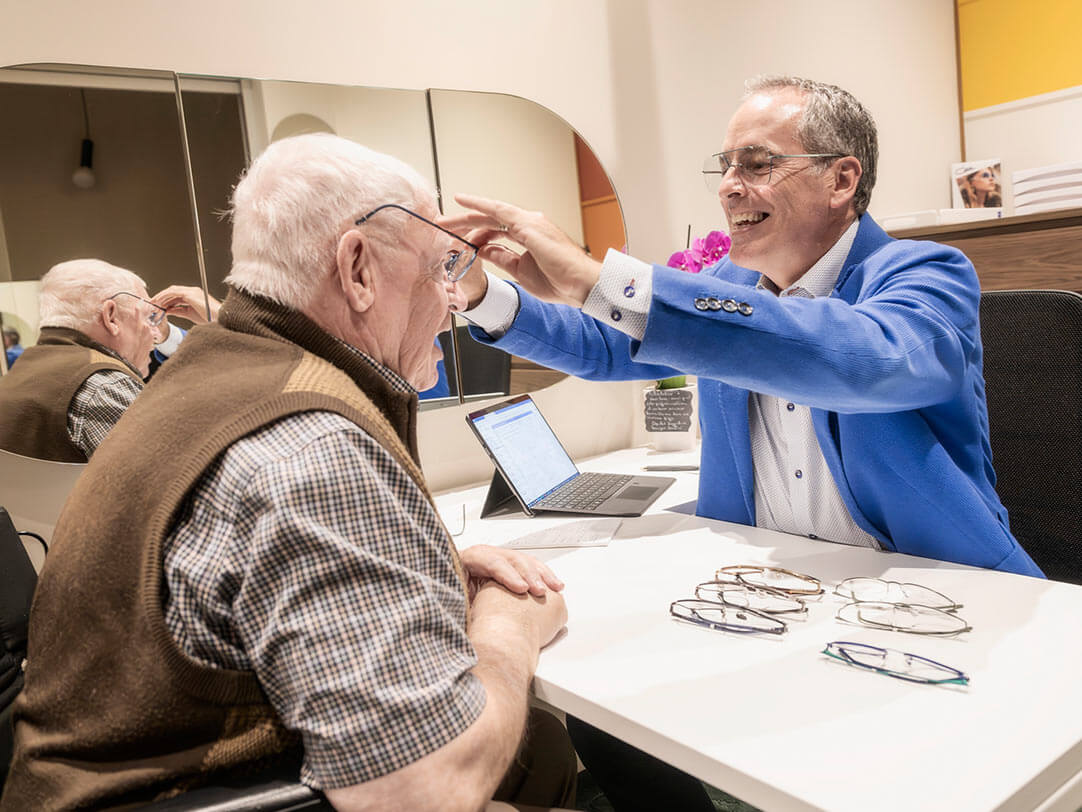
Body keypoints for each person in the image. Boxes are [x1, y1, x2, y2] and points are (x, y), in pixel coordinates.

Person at [441, 74, 1042, 810]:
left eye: (755, 165)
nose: (728, 188)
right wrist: (483, 294)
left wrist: (605, 278)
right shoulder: (731, 285)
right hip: (782, 596)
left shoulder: (925, 276)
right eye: (724, 167)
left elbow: (855, 358)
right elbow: (607, 349)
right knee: (612, 721)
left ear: (841, 178)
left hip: (937, 608)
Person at [2, 134, 575, 812]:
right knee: (532, 749)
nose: (452, 299)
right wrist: (511, 626)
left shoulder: (206, 377)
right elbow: (420, 793)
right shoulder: (310, 449)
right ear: (358, 268)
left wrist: (428, 558)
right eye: (439, 267)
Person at [0, 264, 218, 461]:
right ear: (111, 317)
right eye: (150, 317)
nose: (155, 333)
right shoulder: (105, 386)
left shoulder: (20, 372)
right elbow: (176, 479)